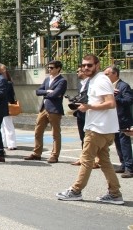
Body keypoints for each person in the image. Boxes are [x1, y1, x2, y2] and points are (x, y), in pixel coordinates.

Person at [56, 54, 123, 205]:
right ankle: (115, 193)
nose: (86, 68)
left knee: (86, 160)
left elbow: (111, 103)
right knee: (105, 162)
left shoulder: (100, 80)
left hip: (98, 129)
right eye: (84, 65)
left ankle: (75, 191)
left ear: (97, 65)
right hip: (103, 128)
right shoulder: (94, 80)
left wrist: (89, 107)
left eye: (89, 65)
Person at [24, 60, 67, 163]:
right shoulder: (47, 79)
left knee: (55, 134)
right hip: (44, 108)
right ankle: (36, 153)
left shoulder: (62, 81)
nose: (49, 69)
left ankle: (54, 155)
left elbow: (56, 94)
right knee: (38, 131)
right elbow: (38, 91)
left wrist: (49, 94)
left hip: (54, 109)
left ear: (58, 69)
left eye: (52, 68)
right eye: (48, 67)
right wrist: (47, 91)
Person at [105, 66, 133, 178]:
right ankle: (123, 164)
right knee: (117, 142)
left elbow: (129, 100)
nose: (105, 76)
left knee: (124, 143)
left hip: (123, 119)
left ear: (115, 74)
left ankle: (129, 168)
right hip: (113, 119)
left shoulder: (123, 86)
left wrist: (114, 98)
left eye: (107, 74)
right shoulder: (108, 87)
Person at [0, 64, 18, 151]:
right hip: (0, 105)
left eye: (3, 71)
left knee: (8, 124)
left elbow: (11, 95)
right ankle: (4, 142)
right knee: (2, 125)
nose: (2, 72)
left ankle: (11, 144)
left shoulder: (8, 83)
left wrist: (10, 103)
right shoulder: (0, 81)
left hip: (7, 105)